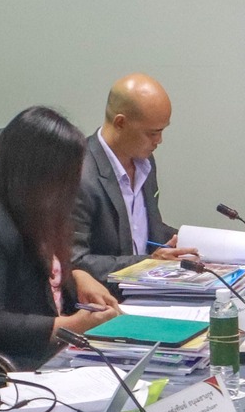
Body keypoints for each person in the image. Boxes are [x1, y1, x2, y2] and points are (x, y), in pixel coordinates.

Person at [0, 106, 120, 371]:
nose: (71, 188)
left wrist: (77, 276)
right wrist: (70, 326)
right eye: (64, 177)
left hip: (51, 356)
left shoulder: (30, 206)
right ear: (37, 173)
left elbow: (40, 272)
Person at [73, 73, 198, 283]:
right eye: (152, 133)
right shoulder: (78, 175)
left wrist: (191, 242)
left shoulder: (145, 162)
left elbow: (141, 232)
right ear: (120, 123)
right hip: (108, 296)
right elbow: (75, 263)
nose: (159, 140)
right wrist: (148, 263)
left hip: (148, 289)